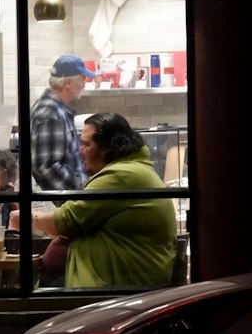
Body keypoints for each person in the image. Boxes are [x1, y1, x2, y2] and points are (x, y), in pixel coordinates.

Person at [26, 112, 176, 290]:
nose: (80, 151)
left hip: (117, 292)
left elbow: (66, 220)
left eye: (86, 145)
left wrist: (26, 219)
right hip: (120, 285)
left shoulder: (120, 175)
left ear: (107, 147)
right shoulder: (131, 170)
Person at [30, 54, 94, 192]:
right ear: (68, 83)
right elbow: (46, 167)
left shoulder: (55, 109)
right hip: (62, 203)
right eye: (82, 78)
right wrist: (83, 188)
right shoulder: (51, 113)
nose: (84, 83)